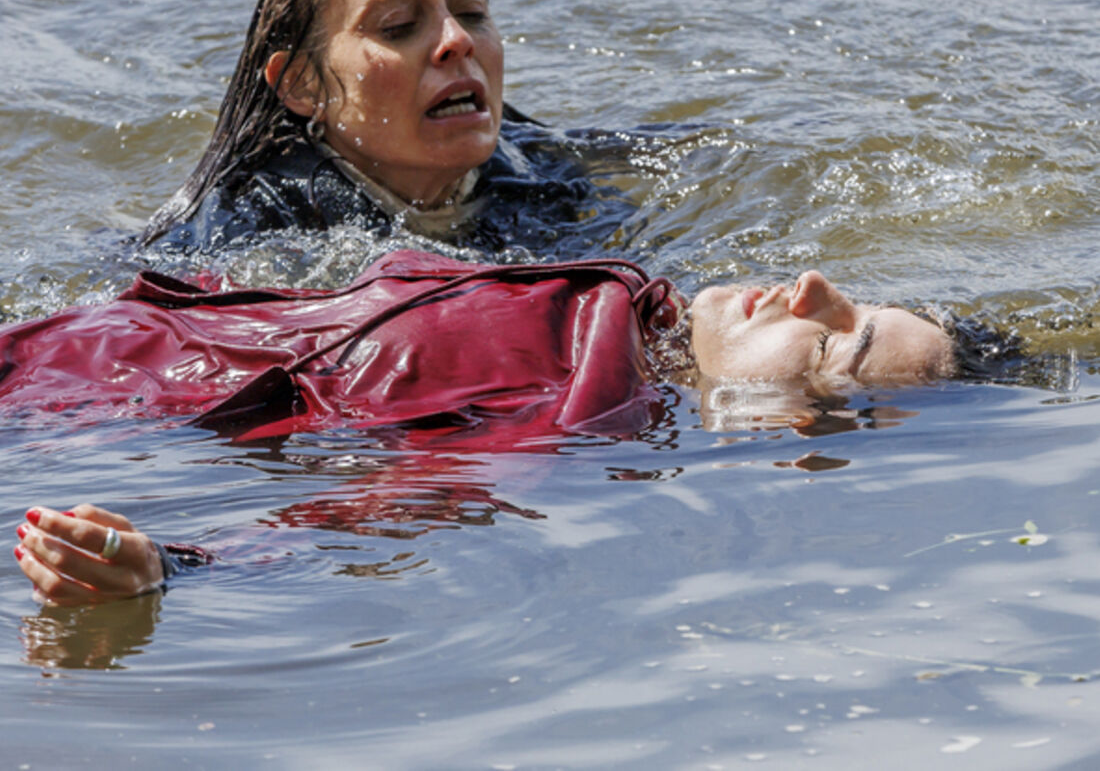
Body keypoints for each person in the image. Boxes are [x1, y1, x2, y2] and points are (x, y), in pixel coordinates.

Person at [12, 257, 1021, 606]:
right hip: (105, 321)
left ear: (788, 428)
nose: (813, 291)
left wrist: (177, 565)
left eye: (834, 344)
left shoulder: (581, 418)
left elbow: (373, 515)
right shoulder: (635, 300)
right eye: (859, 300)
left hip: (64, 391)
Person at [141, 0, 634, 257]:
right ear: (300, 84)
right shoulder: (238, 236)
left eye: (472, 10)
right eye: (398, 25)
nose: (457, 40)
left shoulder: (545, 170)